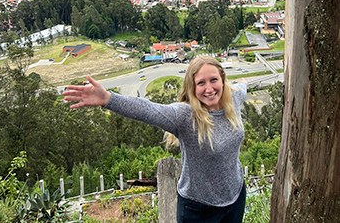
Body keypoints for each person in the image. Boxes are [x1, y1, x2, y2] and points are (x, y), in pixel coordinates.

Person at [63, 55, 247, 223]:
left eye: (213, 80)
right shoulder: (185, 116)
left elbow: (242, 87)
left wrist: (244, 81)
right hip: (199, 207)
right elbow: (147, 110)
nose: (209, 88)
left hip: (236, 196)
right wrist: (108, 99)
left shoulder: (233, 97)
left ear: (222, 78)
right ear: (192, 87)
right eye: (201, 83)